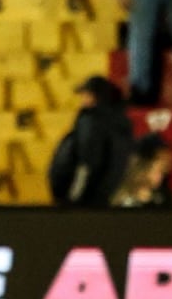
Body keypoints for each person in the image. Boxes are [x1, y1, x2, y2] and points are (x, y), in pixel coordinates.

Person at [48, 76, 134, 206]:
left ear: (95, 97)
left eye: (86, 95)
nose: (82, 99)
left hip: (83, 200)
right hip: (103, 197)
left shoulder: (91, 121)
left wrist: (73, 199)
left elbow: (86, 164)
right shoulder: (119, 122)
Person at [111, 132, 172, 207]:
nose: (166, 170)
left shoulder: (164, 196)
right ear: (143, 166)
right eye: (160, 168)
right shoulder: (122, 200)